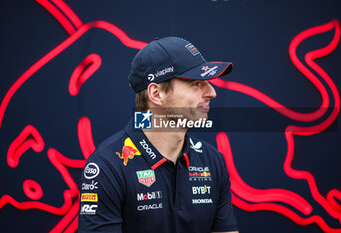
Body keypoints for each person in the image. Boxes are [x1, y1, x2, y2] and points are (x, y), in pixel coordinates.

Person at [78, 37, 239, 233]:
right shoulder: (108, 167)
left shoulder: (212, 160)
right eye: (196, 83)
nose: (212, 92)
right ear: (156, 94)